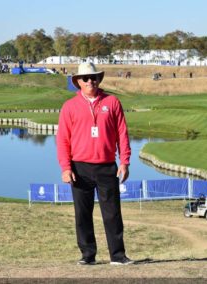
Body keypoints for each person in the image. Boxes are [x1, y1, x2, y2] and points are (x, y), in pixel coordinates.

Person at [56, 62, 133, 265]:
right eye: (86, 78)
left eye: (94, 77)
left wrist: (124, 161)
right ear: (78, 82)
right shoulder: (69, 107)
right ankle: (88, 255)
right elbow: (63, 140)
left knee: (112, 213)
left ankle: (117, 255)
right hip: (79, 167)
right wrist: (65, 168)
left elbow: (122, 134)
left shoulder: (112, 102)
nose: (91, 81)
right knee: (82, 214)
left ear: (99, 79)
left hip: (107, 166)